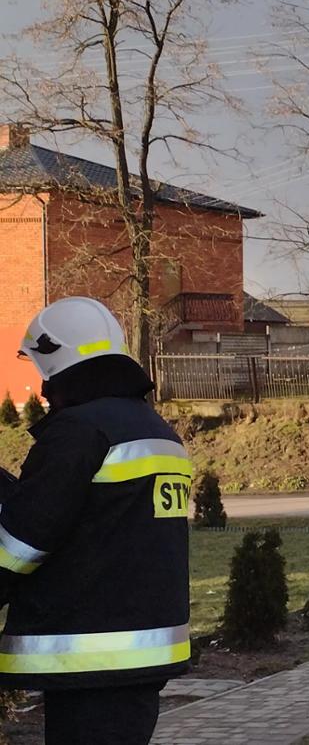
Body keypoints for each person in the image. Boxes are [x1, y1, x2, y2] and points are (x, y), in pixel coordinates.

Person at [0, 297, 192, 743]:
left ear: (57, 360)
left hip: (89, 659)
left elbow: (21, 545)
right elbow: (95, 522)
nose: (43, 388)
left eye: (42, 370)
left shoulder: (79, 431)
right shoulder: (157, 431)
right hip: (140, 656)